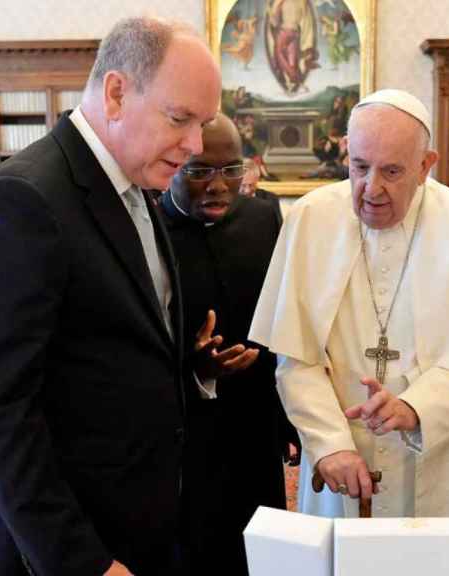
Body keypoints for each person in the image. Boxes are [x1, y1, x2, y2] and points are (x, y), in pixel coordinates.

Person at [0, 18, 254, 576]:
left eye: (202, 123)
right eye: (180, 119)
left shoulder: (136, 186)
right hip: (54, 545)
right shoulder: (22, 201)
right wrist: (80, 562)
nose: (193, 145)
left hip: (134, 518)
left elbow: (103, 351)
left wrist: (189, 367)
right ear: (116, 92)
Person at [249, 89, 449, 518]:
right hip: (344, 459)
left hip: (445, 456)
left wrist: (415, 407)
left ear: (426, 166)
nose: (372, 189)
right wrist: (329, 444)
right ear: (346, 153)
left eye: (391, 171)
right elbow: (295, 359)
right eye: (360, 167)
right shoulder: (310, 220)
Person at [159, 113, 300, 576]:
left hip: (254, 412)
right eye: (200, 172)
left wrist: (287, 420)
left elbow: (281, 319)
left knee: (260, 538)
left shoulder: (264, 217)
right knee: (195, 542)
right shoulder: (150, 228)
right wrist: (197, 367)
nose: (218, 185)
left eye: (231, 170)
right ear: (174, 166)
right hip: (183, 417)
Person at [266, 0, 319, 93]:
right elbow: (303, 19)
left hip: (284, 32)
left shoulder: (282, 2)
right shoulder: (302, 3)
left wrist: (270, 11)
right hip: (295, 33)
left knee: (279, 55)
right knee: (292, 62)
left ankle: (295, 81)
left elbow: (274, 22)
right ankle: (294, 83)